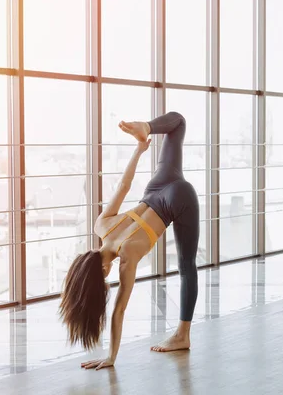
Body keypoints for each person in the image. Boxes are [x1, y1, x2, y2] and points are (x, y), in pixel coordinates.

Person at [59, 111, 200, 370]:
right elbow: (124, 185)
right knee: (179, 122)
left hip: (178, 200)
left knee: (187, 266)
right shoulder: (101, 225)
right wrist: (140, 148)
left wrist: (111, 357)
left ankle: (183, 334)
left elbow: (119, 312)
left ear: (101, 270)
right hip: (157, 186)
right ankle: (147, 126)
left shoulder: (127, 259)